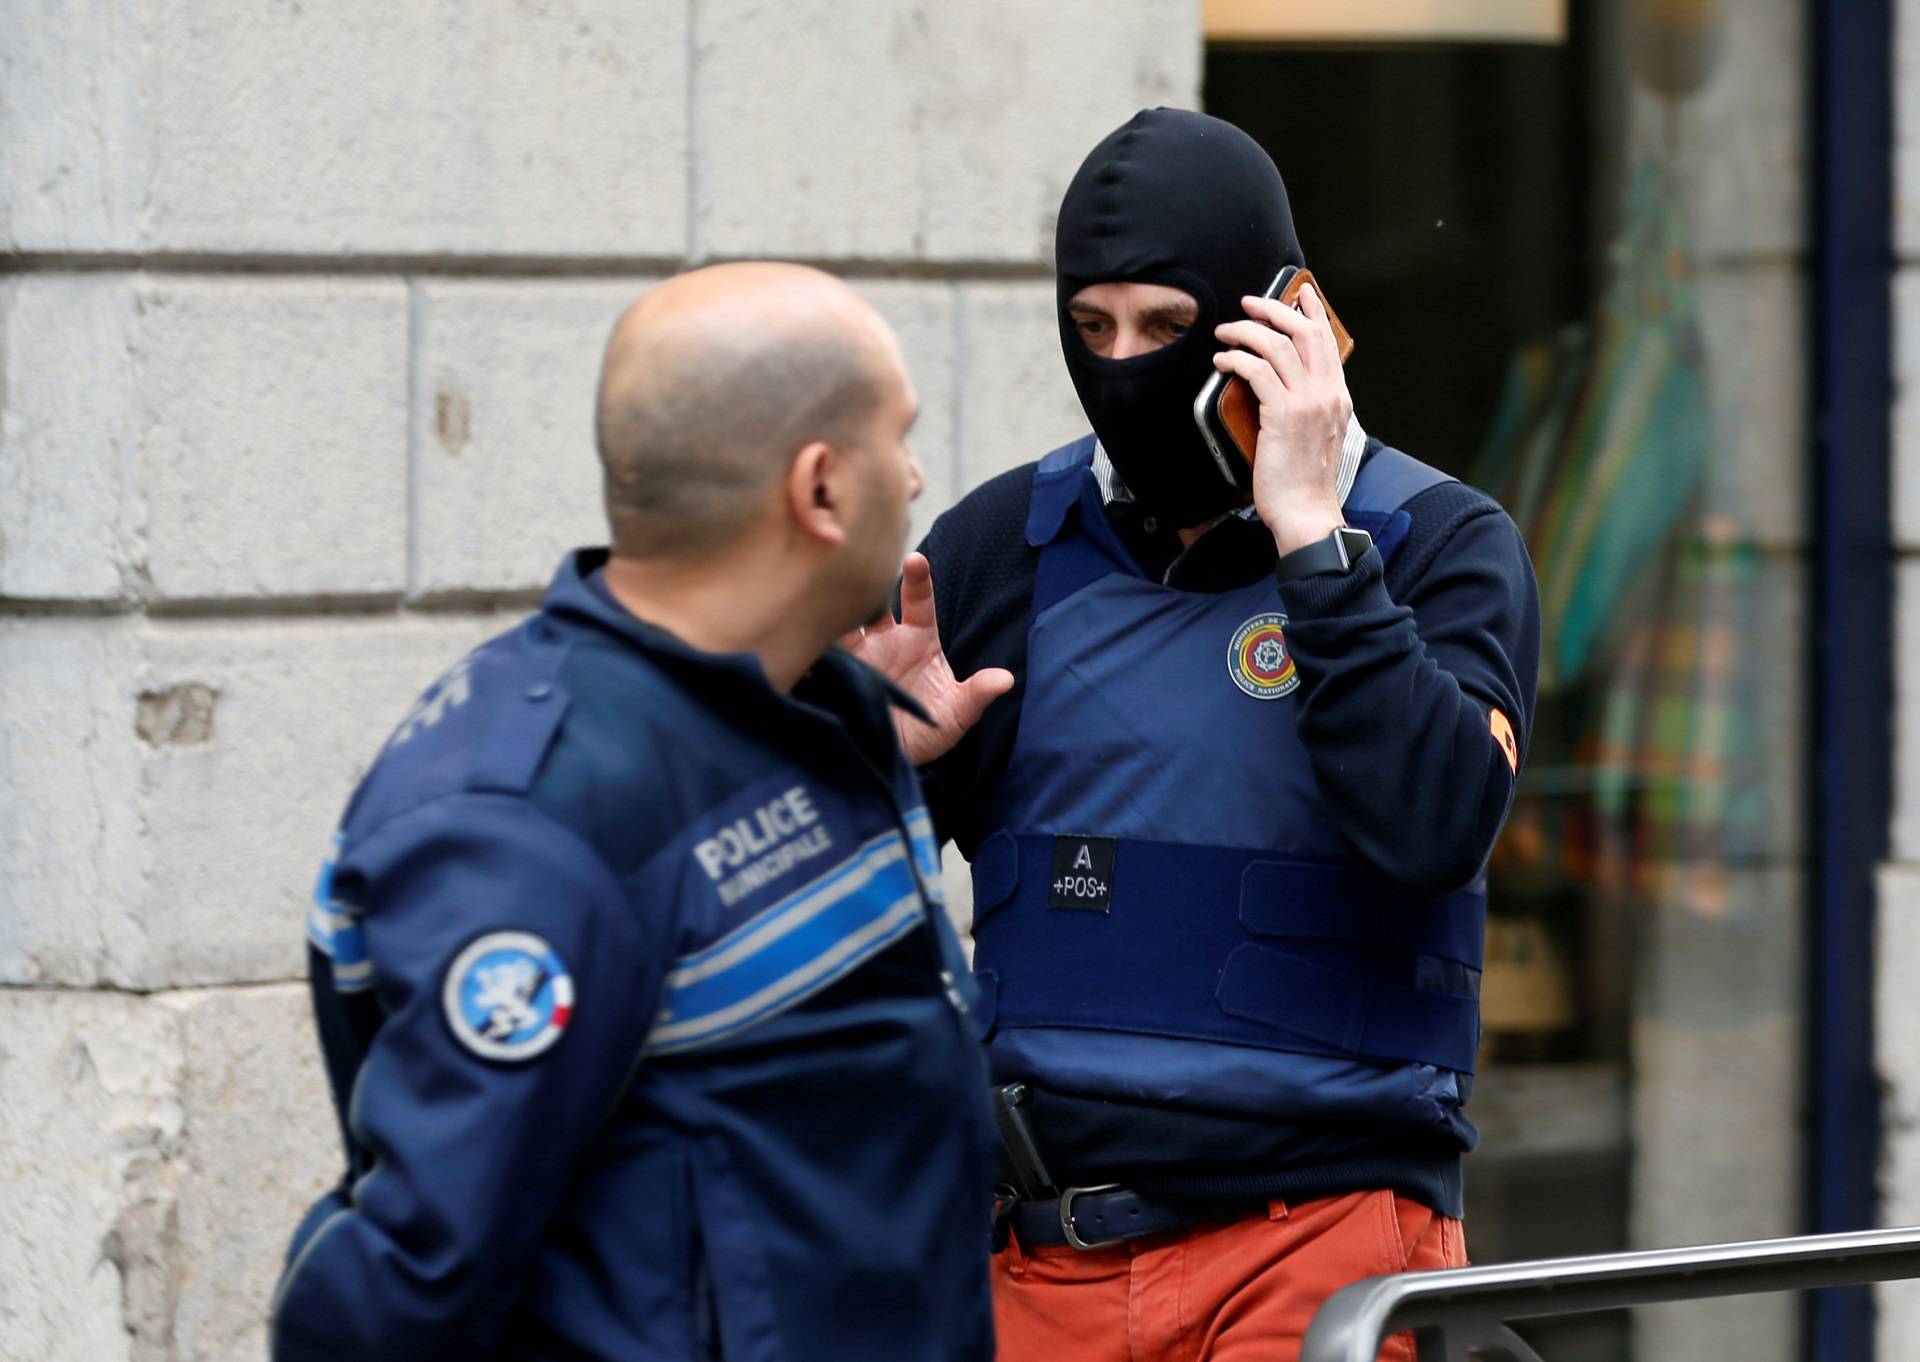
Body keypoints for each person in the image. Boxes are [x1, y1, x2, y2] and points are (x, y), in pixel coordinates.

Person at [850, 108, 1542, 1361]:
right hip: (1036, 1257)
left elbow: (1437, 822)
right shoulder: (1000, 547)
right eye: (1091, 328)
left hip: (1314, 1251)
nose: (1125, 365)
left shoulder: (1440, 543)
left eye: (1169, 328)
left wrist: (1314, 541)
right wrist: (888, 769)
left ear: (1275, 322)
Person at [271, 262, 999, 1362]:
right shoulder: (537, 822)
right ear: (821, 490)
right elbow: (399, 1302)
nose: (916, 471)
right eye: (896, 437)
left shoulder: (826, 707)